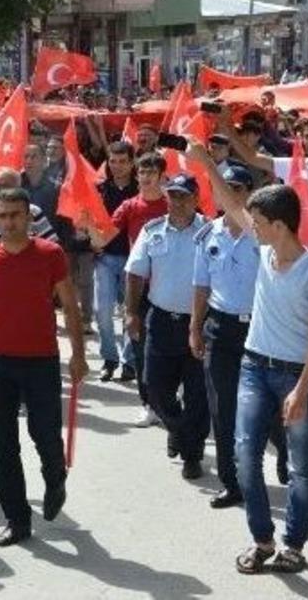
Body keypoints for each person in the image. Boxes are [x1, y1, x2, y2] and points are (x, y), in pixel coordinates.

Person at [186, 162, 308, 574]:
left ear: (279, 226)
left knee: (300, 467)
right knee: (245, 455)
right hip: (253, 367)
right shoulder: (264, 252)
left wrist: (301, 390)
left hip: (296, 375)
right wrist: (204, 159)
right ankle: (262, 540)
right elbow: (231, 203)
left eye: (258, 223)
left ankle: (293, 545)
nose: (251, 228)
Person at [0, 188, 88, 547]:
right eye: (2, 216)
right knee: (3, 446)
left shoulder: (50, 254)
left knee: (45, 435)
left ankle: (54, 476)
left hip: (41, 362)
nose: (9, 222)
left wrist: (78, 355)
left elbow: (70, 306)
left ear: (29, 217)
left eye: (15, 215)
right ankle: (17, 519)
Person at [188, 163, 288, 509]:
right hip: (220, 329)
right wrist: (195, 327)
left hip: (258, 330)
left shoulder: (263, 237)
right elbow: (200, 285)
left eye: (237, 189)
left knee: (267, 406)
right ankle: (233, 482)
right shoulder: (207, 235)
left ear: (249, 195)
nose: (229, 195)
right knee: (223, 407)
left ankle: (284, 450)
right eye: (224, 188)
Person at [125, 174, 210, 479]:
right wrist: (131, 312)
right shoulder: (152, 231)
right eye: (173, 196)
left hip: (199, 323)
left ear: (196, 199)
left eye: (184, 196)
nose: (177, 202)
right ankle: (179, 429)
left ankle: (192, 455)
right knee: (156, 389)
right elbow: (135, 273)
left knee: (198, 396)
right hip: (161, 321)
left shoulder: (210, 231)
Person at [97, 152, 169, 417]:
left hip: (169, 286)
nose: (146, 177)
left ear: (162, 177)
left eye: (152, 173)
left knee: (167, 347)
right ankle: (148, 403)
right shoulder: (129, 206)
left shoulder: (174, 203)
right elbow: (103, 238)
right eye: (142, 172)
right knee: (140, 347)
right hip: (138, 285)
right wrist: (88, 226)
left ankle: (168, 396)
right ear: (136, 176)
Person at [93, 141, 138, 382]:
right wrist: (89, 238)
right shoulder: (99, 190)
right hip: (105, 258)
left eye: (122, 161)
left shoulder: (142, 189)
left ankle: (129, 361)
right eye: (113, 161)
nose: (117, 166)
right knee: (102, 312)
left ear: (132, 163)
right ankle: (109, 358)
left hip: (134, 260)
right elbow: (86, 221)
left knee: (131, 312)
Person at [0, 168, 57, 252]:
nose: (2, 190)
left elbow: (52, 244)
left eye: (6, 186)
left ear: (18, 187)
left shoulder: (33, 211)